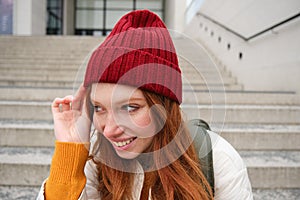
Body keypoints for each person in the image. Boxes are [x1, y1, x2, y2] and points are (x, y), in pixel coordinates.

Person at [37, 10, 253, 200]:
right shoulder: (96, 161)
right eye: (99, 108)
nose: (109, 130)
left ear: (164, 107)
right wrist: (70, 150)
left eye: (130, 108)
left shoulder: (219, 161)